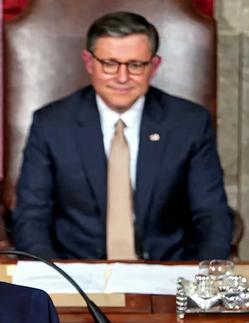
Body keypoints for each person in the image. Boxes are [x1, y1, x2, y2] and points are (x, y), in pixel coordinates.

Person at [13, 11, 232, 261]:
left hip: (166, 271)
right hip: (77, 271)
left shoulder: (189, 123)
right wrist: (52, 277)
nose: (122, 77)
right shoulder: (52, 124)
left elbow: (211, 214)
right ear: (88, 62)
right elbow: (32, 216)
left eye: (136, 65)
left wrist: (202, 277)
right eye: (110, 63)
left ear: (154, 65)